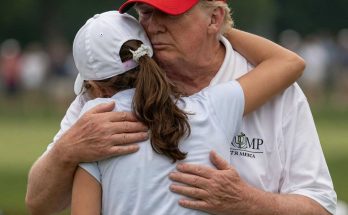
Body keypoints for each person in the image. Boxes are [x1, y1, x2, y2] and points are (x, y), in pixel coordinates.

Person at [25, 1, 336, 215]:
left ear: (213, 18)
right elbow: (38, 203)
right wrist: (69, 149)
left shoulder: (279, 94)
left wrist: (247, 201)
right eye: (144, 13)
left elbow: (320, 208)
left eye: (167, 15)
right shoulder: (96, 103)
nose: (152, 26)